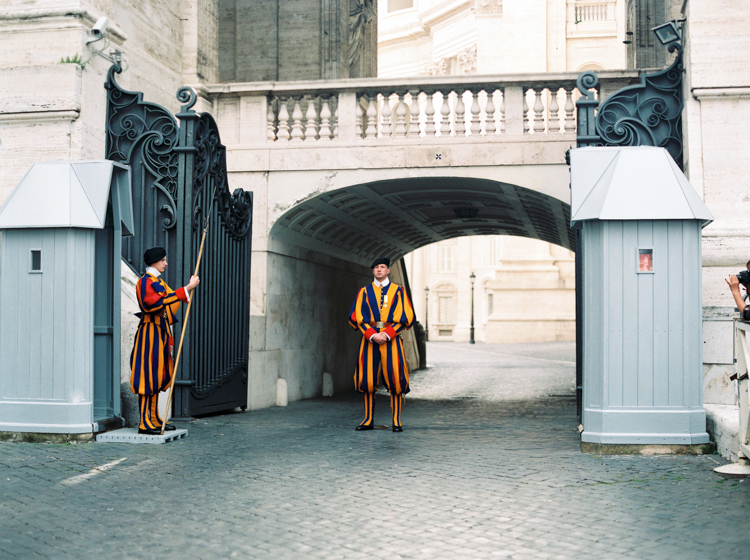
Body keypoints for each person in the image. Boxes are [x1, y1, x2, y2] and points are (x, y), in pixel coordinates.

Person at [130, 247, 199, 435]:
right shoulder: (145, 282)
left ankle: (154, 418)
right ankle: (145, 422)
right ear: (155, 261)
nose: (166, 263)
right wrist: (187, 288)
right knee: (148, 376)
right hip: (150, 332)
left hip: (159, 332)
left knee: (158, 375)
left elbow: (168, 299)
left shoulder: (155, 281)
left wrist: (185, 290)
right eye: (163, 260)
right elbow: (153, 304)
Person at [348, 257, 415, 432]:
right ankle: (368, 419)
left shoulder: (398, 291)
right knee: (368, 380)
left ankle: (396, 421)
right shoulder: (364, 292)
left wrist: (387, 334)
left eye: (382, 267)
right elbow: (358, 318)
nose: (379, 270)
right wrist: (372, 335)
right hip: (370, 341)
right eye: (376, 267)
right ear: (373, 271)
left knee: (395, 380)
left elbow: (406, 318)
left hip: (391, 341)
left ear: (388, 270)